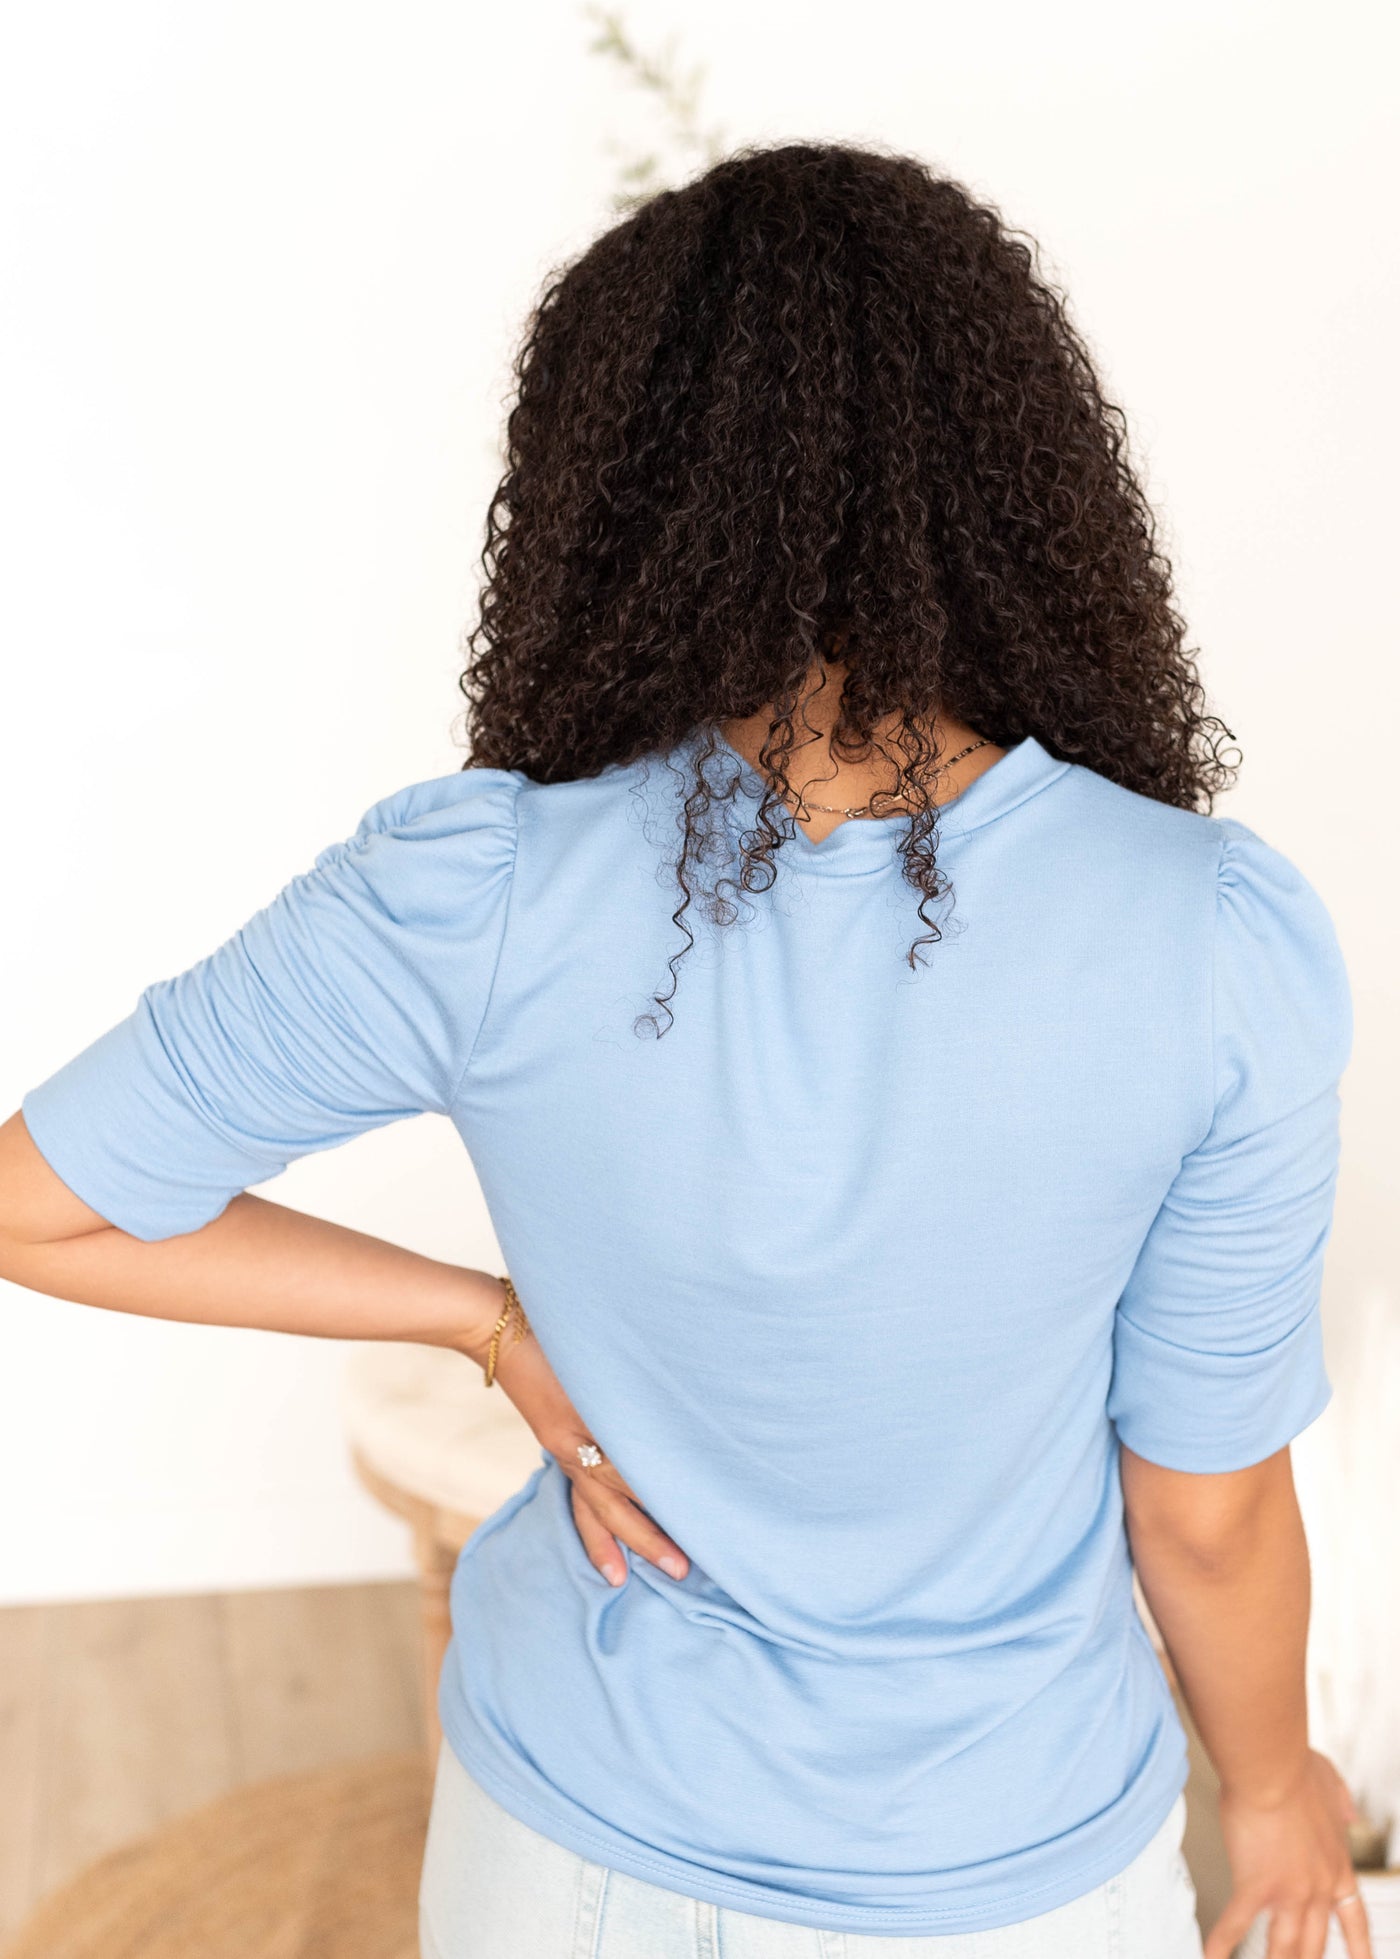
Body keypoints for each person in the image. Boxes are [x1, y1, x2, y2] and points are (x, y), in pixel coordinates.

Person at [0, 141, 1371, 1959]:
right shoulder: (1211, 938)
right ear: (1020, 472)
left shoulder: (476, 883)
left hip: (559, 1850)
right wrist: (1277, 1797)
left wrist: (482, 1321)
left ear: (617, 489)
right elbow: (1204, 1514)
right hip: (1002, 1872)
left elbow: (40, 1205)